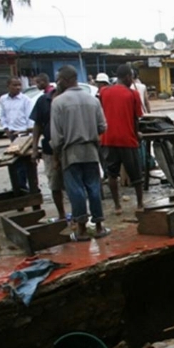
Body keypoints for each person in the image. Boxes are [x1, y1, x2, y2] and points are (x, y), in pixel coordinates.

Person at [50, 65, 108, 241]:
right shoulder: (92, 100)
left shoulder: (58, 102)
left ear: (66, 80)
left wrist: (56, 156)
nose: (58, 83)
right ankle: (99, 226)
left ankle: (81, 229)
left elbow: (56, 136)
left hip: (70, 151)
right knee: (93, 187)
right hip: (90, 149)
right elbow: (102, 126)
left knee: (76, 189)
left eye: (59, 80)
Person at [100, 64, 144, 214]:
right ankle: (140, 204)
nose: (132, 80)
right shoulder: (132, 94)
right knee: (136, 174)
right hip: (127, 139)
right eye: (131, 77)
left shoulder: (104, 92)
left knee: (112, 174)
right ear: (127, 77)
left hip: (108, 139)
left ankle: (117, 206)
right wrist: (137, 134)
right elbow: (136, 119)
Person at [30, 75, 65, 220]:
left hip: (69, 149)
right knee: (55, 183)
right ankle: (62, 215)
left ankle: (79, 215)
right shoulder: (43, 101)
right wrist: (34, 148)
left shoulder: (69, 100)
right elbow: (37, 125)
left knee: (73, 183)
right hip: (49, 150)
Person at [0, 76, 34, 191]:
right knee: (16, 161)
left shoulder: (25, 100)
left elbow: (30, 118)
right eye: (14, 85)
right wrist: (6, 128)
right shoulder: (3, 99)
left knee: (27, 161)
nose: (18, 87)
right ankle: (20, 185)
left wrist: (29, 132)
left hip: (24, 134)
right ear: (8, 86)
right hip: (13, 134)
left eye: (19, 85)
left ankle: (31, 185)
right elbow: (3, 115)